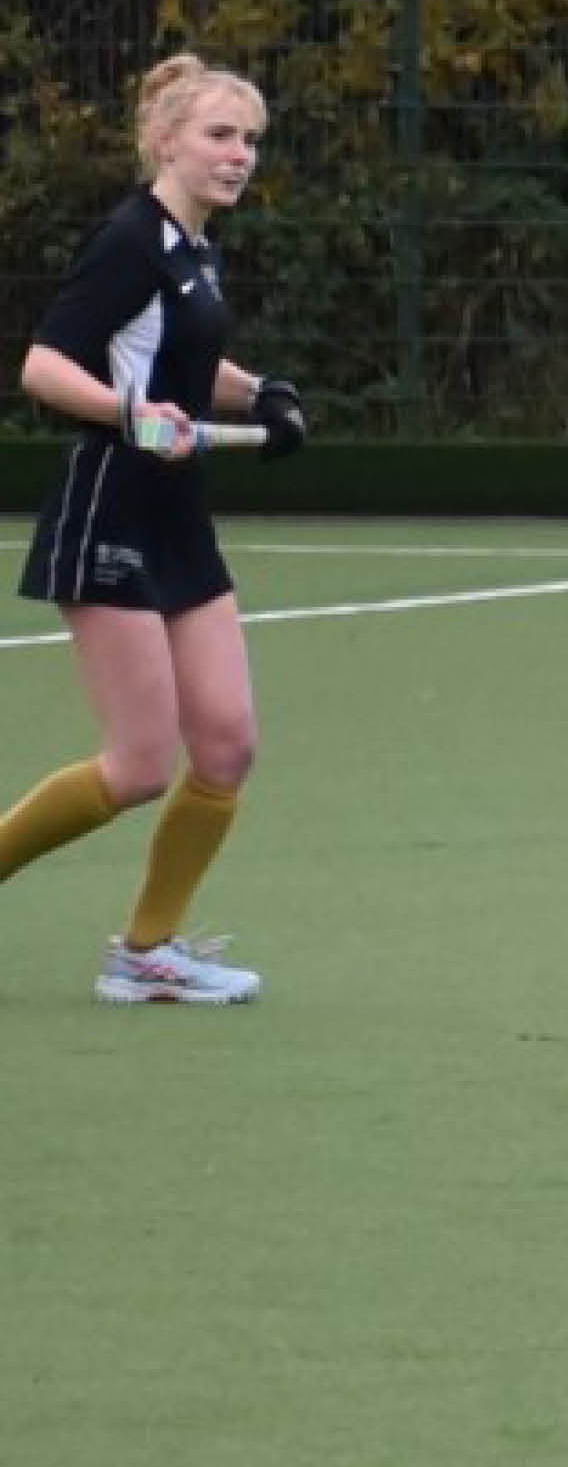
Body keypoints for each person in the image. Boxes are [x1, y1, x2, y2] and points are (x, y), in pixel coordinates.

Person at [4, 54, 309, 1005]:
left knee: (225, 746)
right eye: (220, 135)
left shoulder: (192, 248)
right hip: (111, 511)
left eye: (251, 139)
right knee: (141, 765)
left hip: (180, 519)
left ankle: (146, 952)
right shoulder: (132, 240)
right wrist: (128, 416)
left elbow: (181, 359)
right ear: (166, 139)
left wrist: (260, 391)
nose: (239, 155)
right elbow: (46, 367)